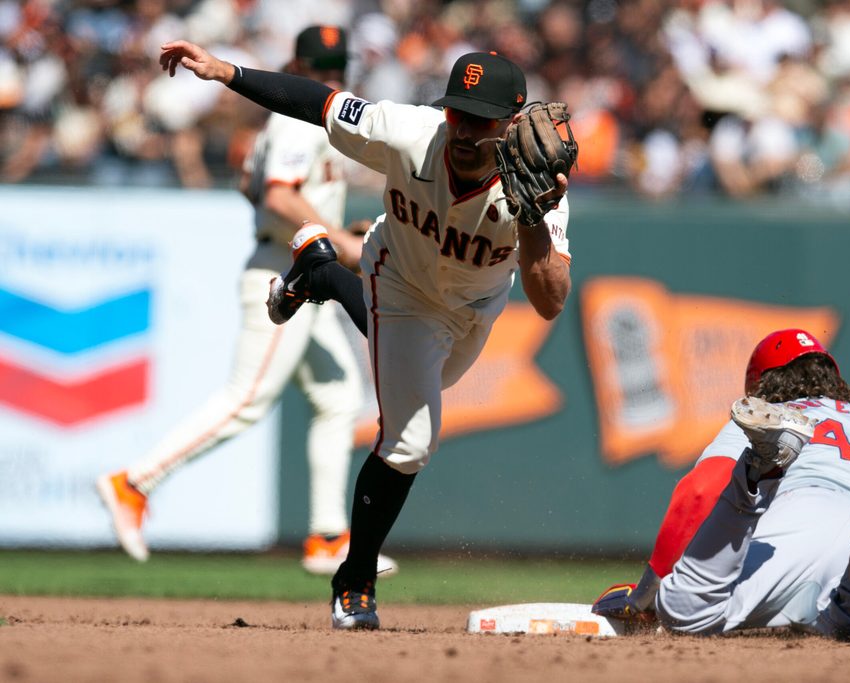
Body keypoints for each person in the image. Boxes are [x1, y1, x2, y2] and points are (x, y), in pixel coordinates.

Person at [157, 40, 573, 630]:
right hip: (398, 280)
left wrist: (533, 221)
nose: (463, 129)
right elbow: (318, 102)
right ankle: (353, 582)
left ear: (510, 123)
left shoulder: (537, 187)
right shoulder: (407, 131)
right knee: (409, 440)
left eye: (480, 120)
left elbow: (550, 300)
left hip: (473, 308)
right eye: (458, 111)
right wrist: (228, 72)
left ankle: (323, 271)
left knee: (433, 382)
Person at [96, 26, 396, 578]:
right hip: (285, 274)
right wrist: (341, 239)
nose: (333, 76)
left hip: (302, 264)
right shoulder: (296, 118)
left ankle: (329, 537)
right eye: (327, 68)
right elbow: (279, 193)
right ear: (307, 65)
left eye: (335, 67)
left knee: (337, 396)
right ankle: (135, 482)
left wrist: (327, 227)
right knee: (247, 398)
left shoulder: (282, 119)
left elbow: (249, 186)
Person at [593, 329, 850, 640]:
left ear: (759, 384)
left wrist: (645, 595)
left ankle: (759, 468)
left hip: (801, 519)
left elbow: (700, 490)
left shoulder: (773, 415)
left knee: (684, 613)